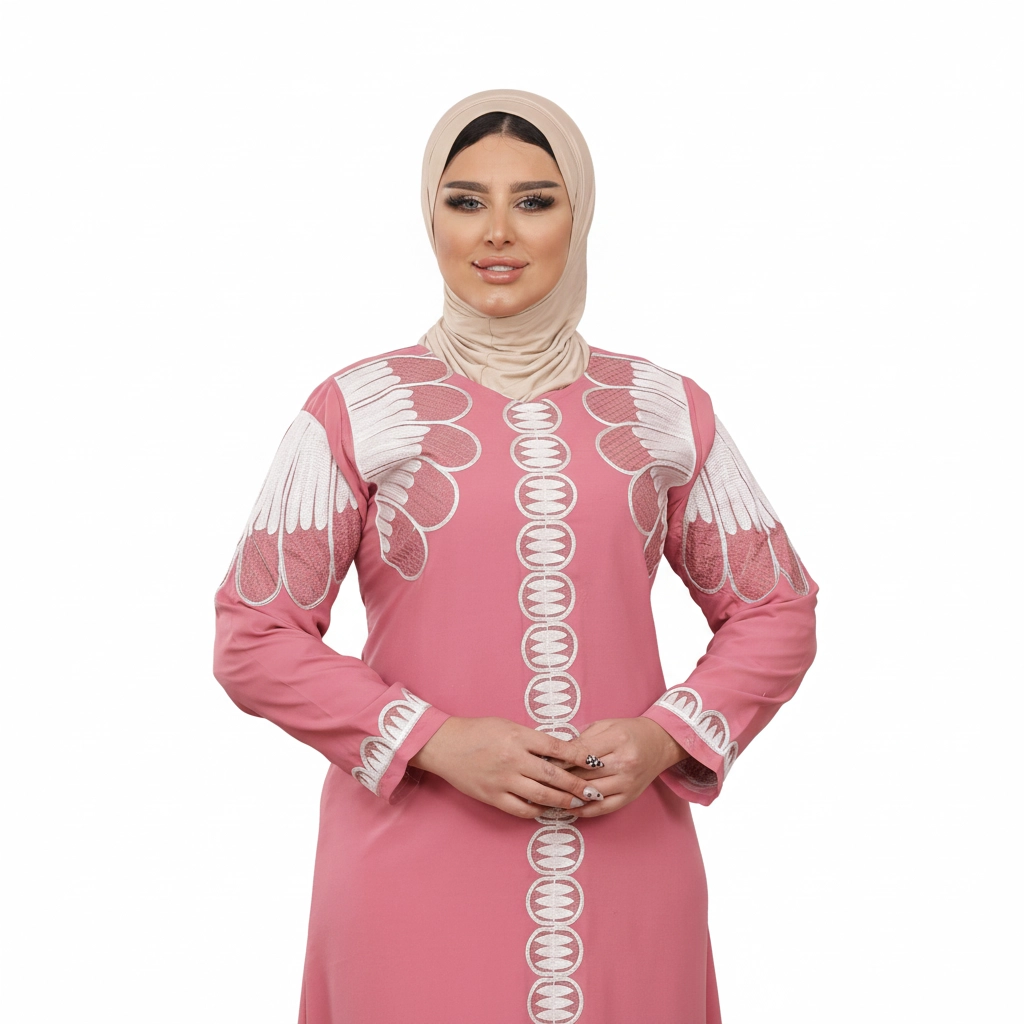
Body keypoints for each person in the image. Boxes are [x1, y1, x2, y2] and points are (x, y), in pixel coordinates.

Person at [213, 89, 818, 1024]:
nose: (497, 231)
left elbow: (776, 609)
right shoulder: (361, 408)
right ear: (431, 219)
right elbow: (254, 636)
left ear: (581, 215)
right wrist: (434, 740)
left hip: (629, 871)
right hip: (409, 879)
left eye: (535, 200)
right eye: (465, 201)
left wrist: (665, 737)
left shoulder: (661, 409)